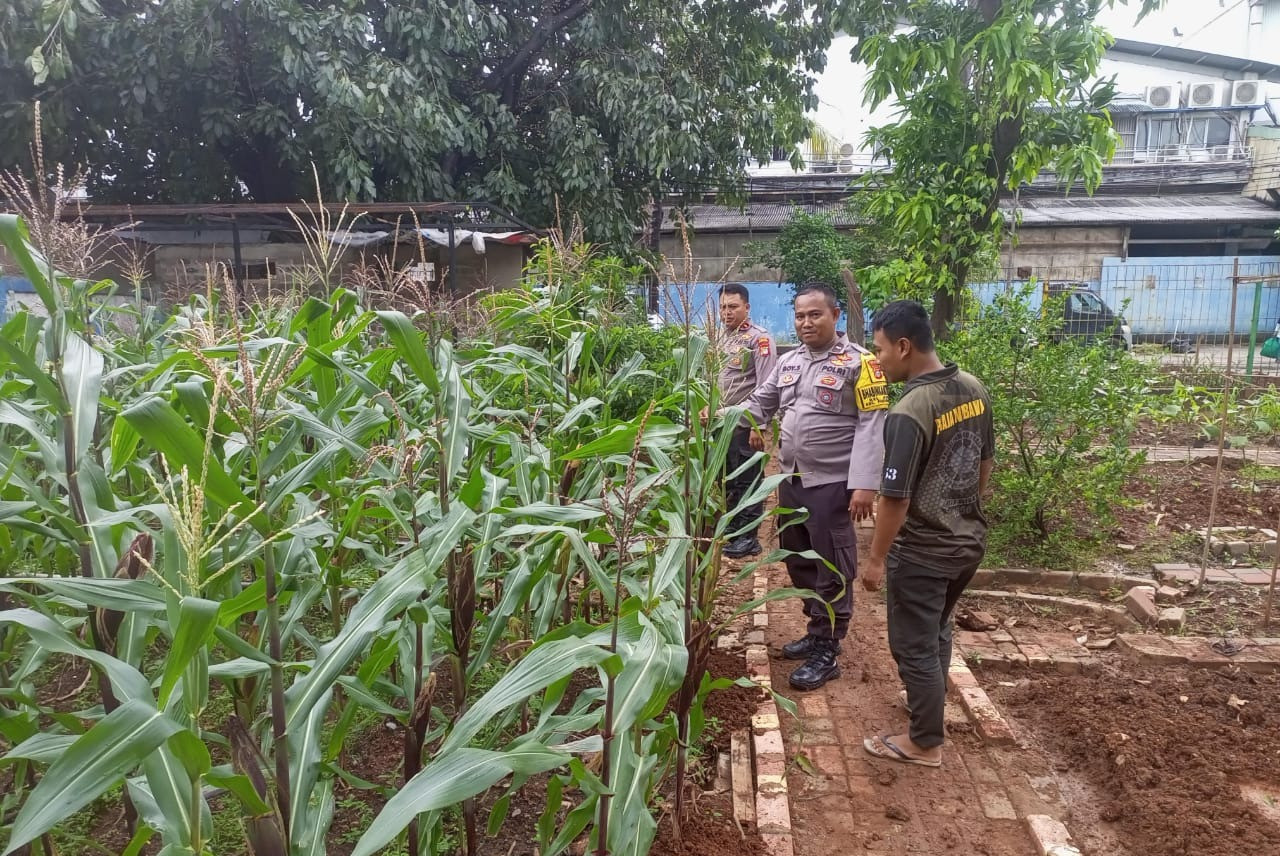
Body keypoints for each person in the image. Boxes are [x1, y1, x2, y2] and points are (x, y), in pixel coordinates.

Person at [859, 300, 994, 768]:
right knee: (936, 630)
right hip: (967, 542)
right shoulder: (972, 387)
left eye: (878, 351)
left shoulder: (911, 409)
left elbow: (894, 498)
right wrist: (963, 511)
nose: (877, 362)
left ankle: (924, 742)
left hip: (924, 552)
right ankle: (928, 704)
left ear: (903, 346)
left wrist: (876, 559)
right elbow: (984, 464)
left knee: (912, 643)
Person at [740, 281, 888, 691]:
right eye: (800, 316)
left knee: (833, 565)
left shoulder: (861, 364)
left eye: (814, 314)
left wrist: (864, 485)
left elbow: (873, 424)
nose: (806, 322)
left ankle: (828, 648)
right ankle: (816, 626)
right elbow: (761, 401)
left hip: (833, 483)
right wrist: (715, 415)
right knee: (797, 558)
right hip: (792, 479)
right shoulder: (791, 361)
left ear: (835, 315)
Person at [717, 283, 778, 558]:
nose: (726, 313)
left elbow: (766, 385)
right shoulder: (718, 337)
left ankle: (749, 537)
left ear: (747, 308)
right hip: (719, 424)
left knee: (748, 479)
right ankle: (734, 530)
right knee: (728, 479)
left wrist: (758, 426)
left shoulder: (758, 340)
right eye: (722, 307)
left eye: (732, 307)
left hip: (744, 424)